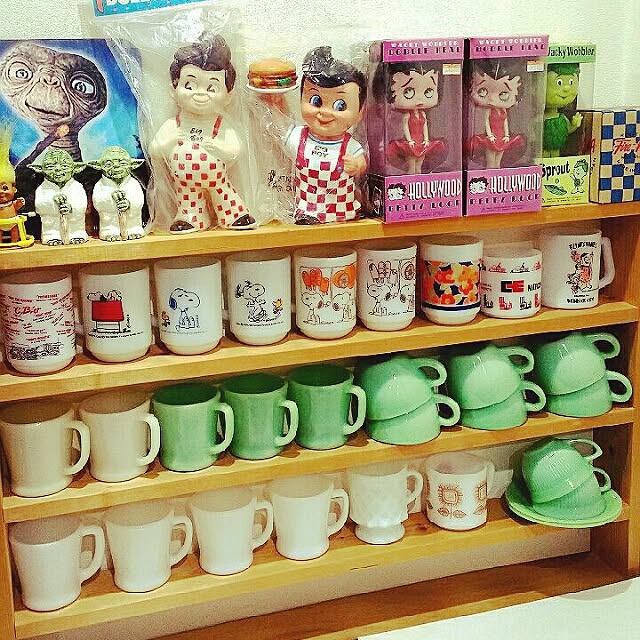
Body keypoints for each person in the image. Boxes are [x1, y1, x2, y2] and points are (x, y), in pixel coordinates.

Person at [150, 36, 255, 233]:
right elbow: (155, 150)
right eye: (190, 85)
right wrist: (170, 140)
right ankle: (191, 217)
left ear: (228, 96)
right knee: (188, 201)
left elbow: (236, 150)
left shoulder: (221, 124)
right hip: (184, 183)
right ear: (173, 90)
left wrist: (220, 148)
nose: (200, 94)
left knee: (224, 193)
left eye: (212, 88)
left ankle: (233, 214)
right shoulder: (173, 124)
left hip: (217, 179)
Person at [275, 47, 368, 225]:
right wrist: (276, 99)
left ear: (360, 112)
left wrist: (357, 166)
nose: (325, 112)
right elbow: (279, 126)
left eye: (340, 105)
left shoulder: (348, 144)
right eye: (316, 101)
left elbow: (362, 162)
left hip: (342, 211)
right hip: (307, 210)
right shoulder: (300, 137)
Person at [383, 62, 445, 175]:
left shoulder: (423, 114)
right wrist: (409, 140)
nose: (419, 99)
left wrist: (426, 139)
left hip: (421, 141)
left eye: (428, 92)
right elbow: (405, 128)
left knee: (420, 163)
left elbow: (425, 127)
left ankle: (419, 180)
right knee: (411, 165)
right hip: (411, 142)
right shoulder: (407, 115)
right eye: (408, 92)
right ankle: (411, 179)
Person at [468, 60, 525, 169]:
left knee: (498, 161)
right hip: (492, 137)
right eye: (483, 91)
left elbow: (505, 124)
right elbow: (486, 123)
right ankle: (490, 175)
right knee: (490, 161)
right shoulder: (489, 111)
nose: (493, 99)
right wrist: (490, 135)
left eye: (503, 94)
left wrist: (507, 135)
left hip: (501, 136)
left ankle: (497, 176)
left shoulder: (503, 111)